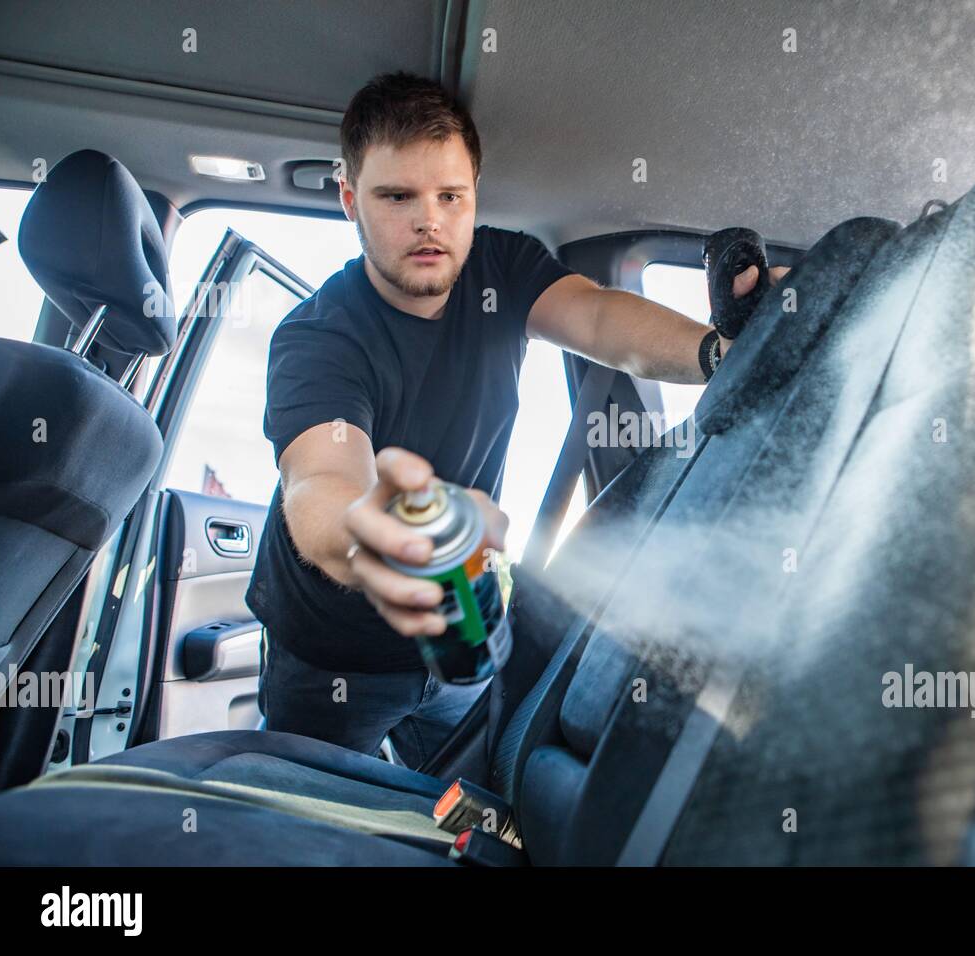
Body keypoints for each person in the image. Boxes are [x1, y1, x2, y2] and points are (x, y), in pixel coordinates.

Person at [245, 71, 785, 770]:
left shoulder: (502, 266)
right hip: (330, 659)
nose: (429, 221)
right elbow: (320, 478)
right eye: (397, 196)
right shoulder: (318, 337)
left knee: (462, 814)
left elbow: (598, 316)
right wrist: (376, 539)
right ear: (351, 200)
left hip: (461, 639)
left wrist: (722, 354)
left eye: (450, 196)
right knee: (299, 824)